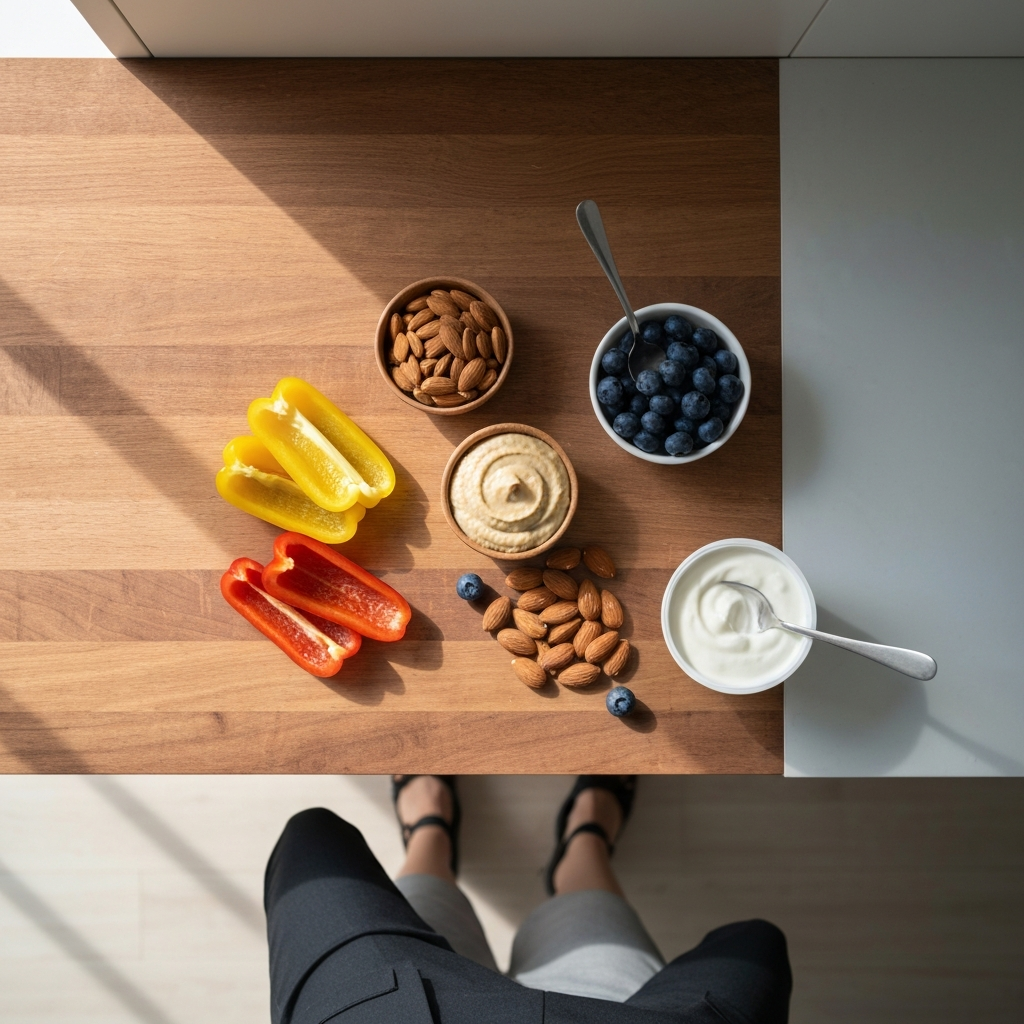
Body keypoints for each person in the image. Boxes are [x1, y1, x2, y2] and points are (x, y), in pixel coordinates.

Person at [264, 775, 792, 1024]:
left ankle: (432, 832)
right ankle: (585, 839)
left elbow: (754, 951)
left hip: (401, 1004)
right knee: (586, 909)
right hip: (601, 1011)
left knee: (409, 890)